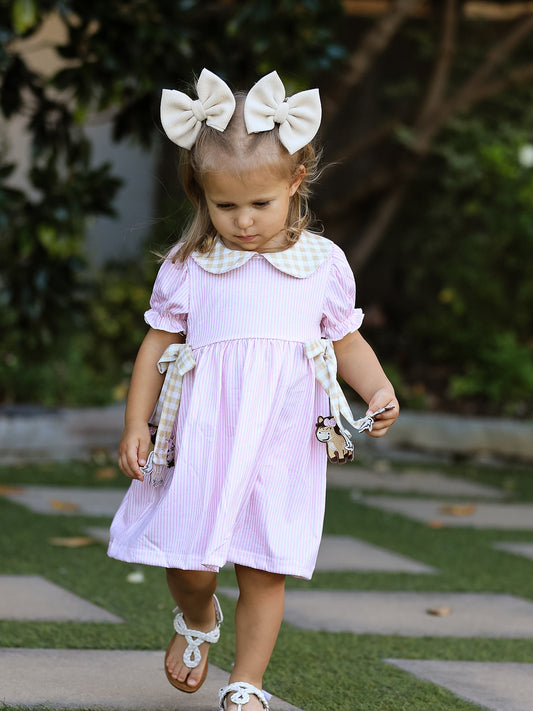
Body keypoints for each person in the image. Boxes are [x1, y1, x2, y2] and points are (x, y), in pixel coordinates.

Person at [108, 68, 399, 711]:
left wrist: (377, 389)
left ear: (295, 182)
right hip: (205, 437)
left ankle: (248, 681)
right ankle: (198, 615)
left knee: (265, 564)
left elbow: (345, 339)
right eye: (225, 207)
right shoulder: (192, 266)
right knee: (189, 563)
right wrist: (135, 424)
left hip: (282, 439)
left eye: (259, 205)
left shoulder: (321, 264)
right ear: (202, 196)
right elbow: (156, 346)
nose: (242, 222)